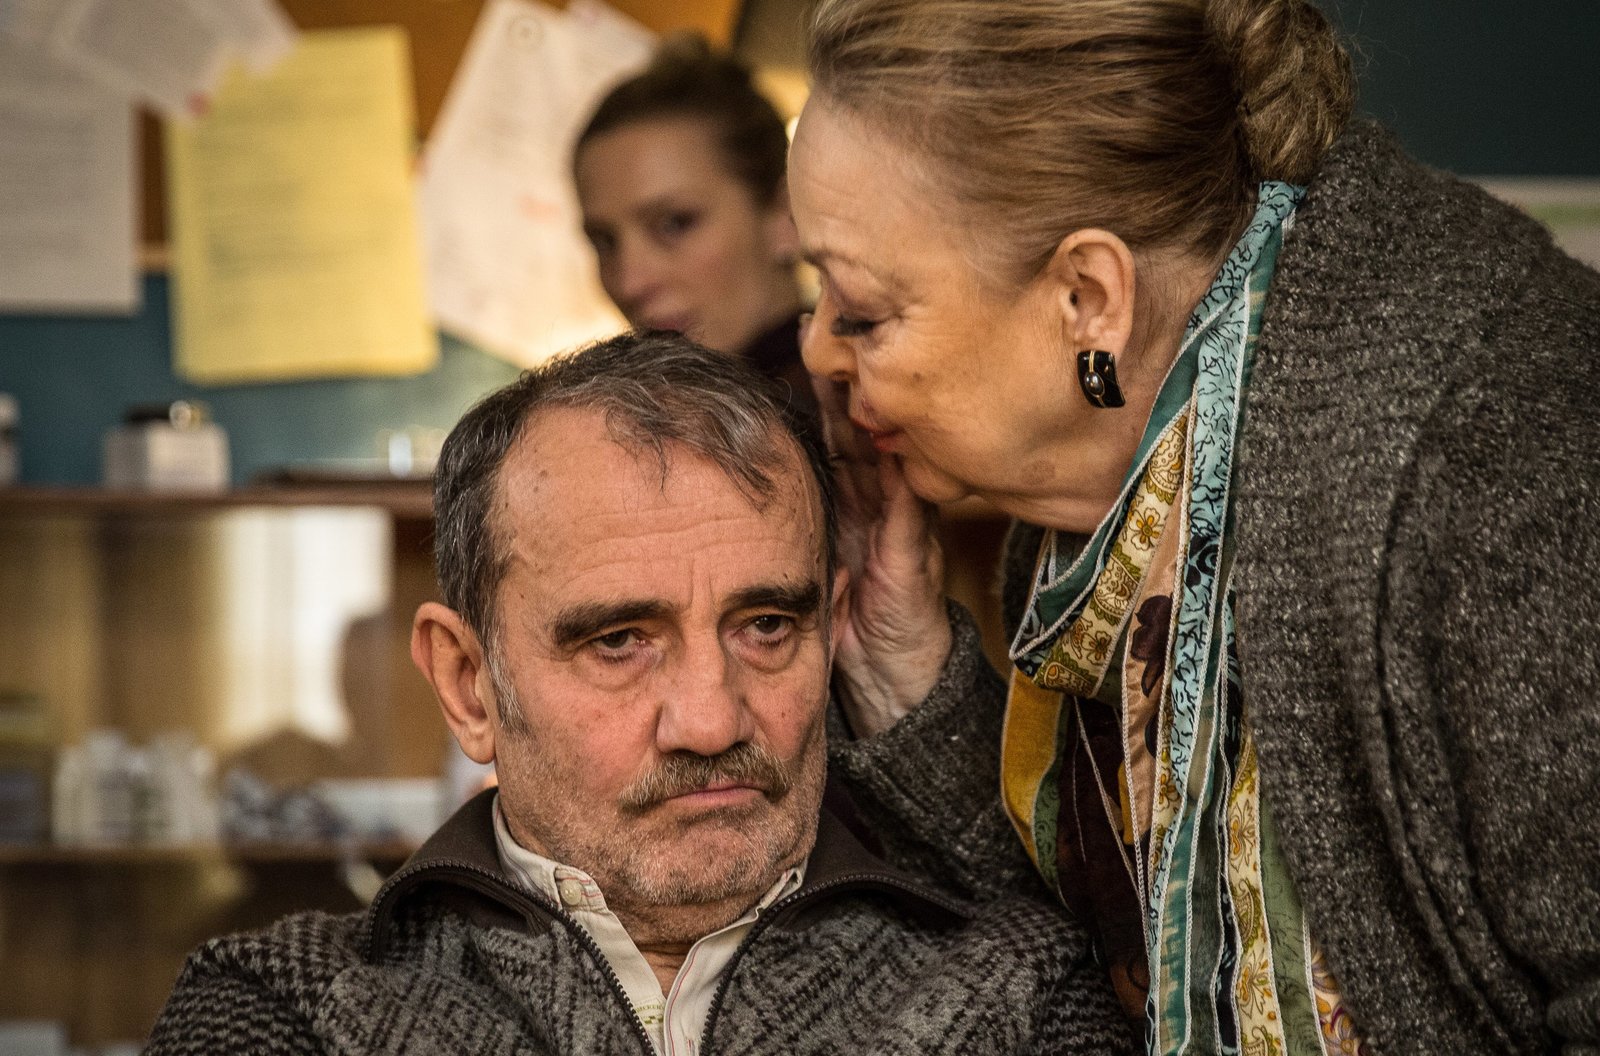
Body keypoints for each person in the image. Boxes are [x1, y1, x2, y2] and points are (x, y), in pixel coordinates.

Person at [785, 0, 1600, 1053]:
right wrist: (903, 674)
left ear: (1088, 298)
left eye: (860, 311)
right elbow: (1095, 985)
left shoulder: (1494, 453)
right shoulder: (1098, 511)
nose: (816, 350)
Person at [143, 332, 1132, 1056]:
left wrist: (907, 691)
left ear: (829, 631)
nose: (711, 720)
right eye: (618, 642)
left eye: (766, 626)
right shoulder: (289, 1012)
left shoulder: (1020, 990)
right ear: (468, 684)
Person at [573, 37, 815, 421]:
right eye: (604, 242)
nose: (629, 283)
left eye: (674, 223)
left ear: (786, 214)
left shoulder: (852, 424)